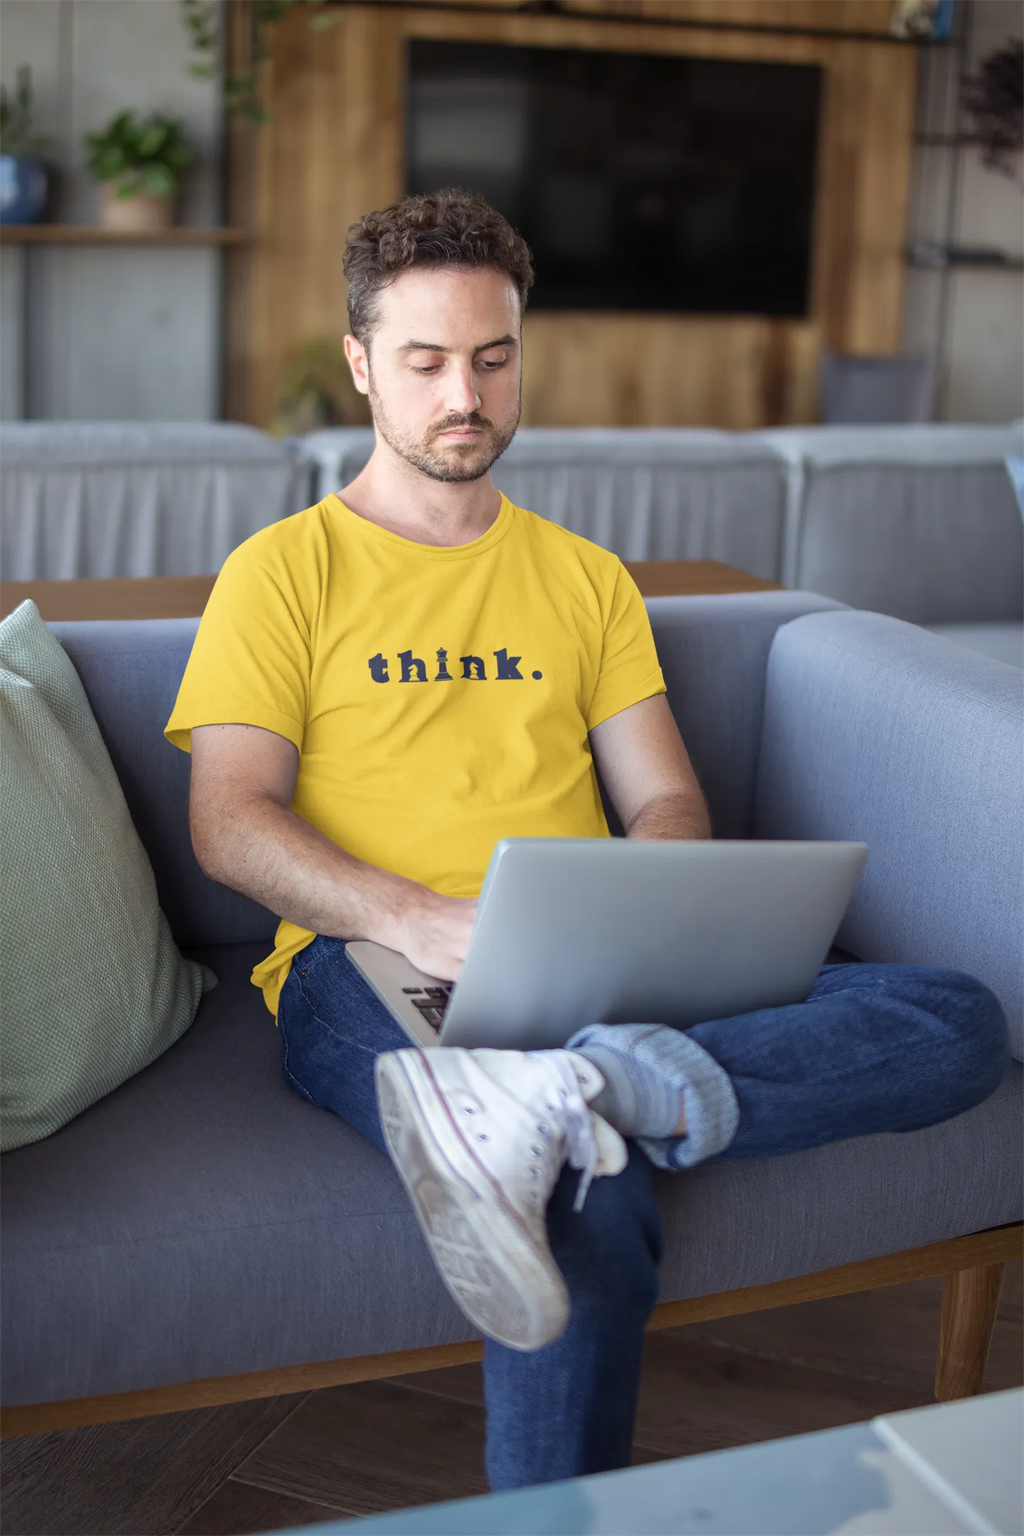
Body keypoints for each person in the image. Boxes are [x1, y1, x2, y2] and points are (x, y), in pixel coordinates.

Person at [165, 188, 1009, 1492]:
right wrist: (418, 919)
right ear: (361, 366)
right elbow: (228, 823)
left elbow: (665, 801)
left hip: (596, 967)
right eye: (425, 362)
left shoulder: (584, 577)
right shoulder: (283, 571)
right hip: (369, 965)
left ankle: (604, 1082)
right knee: (575, 1188)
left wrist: (651, 904)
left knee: (959, 1020)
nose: (465, 395)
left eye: (493, 357)